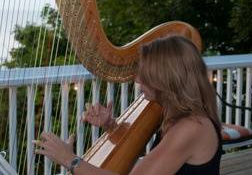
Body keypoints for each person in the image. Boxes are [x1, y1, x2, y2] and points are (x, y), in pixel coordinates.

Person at [34, 35, 222, 175]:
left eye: (144, 74)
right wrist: (111, 126)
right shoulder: (177, 115)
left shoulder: (191, 127)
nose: (137, 79)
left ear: (165, 79)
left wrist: (70, 159)